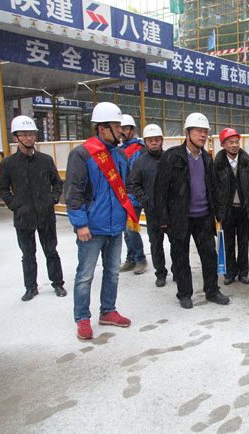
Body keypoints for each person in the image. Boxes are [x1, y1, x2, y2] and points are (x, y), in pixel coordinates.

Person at [65, 102, 134, 340]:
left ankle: (108, 311)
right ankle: (82, 318)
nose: (121, 130)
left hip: (115, 226)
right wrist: (80, 224)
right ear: (102, 128)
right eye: (116, 126)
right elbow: (73, 191)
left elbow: (126, 187)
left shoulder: (120, 154)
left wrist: (128, 213)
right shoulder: (82, 154)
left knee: (112, 272)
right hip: (91, 228)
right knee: (85, 275)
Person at [154, 113, 229, 309]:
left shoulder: (207, 158)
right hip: (180, 217)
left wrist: (219, 213)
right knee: (180, 257)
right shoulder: (172, 157)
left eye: (205, 132)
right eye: (198, 131)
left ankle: (212, 290)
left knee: (209, 256)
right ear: (187, 133)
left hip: (204, 216)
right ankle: (184, 293)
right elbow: (160, 189)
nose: (203, 135)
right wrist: (163, 218)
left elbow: (213, 188)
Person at [0, 115, 65, 301]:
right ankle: (31, 287)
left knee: (51, 250)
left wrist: (52, 199)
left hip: (45, 215)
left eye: (32, 134)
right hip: (23, 216)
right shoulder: (8, 163)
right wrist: (14, 205)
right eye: (24, 134)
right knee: (28, 254)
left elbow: (57, 183)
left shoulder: (45, 160)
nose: (29, 138)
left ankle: (58, 283)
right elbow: (2, 189)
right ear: (15, 137)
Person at [126, 124, 168, 287]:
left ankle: (178, 271)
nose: (154, 143)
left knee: (177, 243)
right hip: (152, 211)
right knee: (156, 244)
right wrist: (146, 200)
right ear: (145, 142)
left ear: (162, 140)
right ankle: (160, 273)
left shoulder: (169, 158)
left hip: (171, 210)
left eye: (157, 139)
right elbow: (133, 184)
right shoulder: (140, 162)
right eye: (150, 140)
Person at [214, 127, 249, 286]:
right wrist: (219, 210)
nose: (234, 145)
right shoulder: (217, 164)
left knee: (244, 243)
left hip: (244, 210)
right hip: (227, 210)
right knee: (228, 243)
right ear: (223, 144)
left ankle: (243, 273)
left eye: (236, 142)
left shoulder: (247, 162)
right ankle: (230, 273)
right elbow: (215, 187)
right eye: (230, 142)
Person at [119, 114, 148, 275]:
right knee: (125, 229)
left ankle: (140, 259)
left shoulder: (140, 149)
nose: (122, 132)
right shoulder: (119, 150)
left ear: (132, 130)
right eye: (120, 128)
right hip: (122, 195)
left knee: (131, 229)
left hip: (135, 196)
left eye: (125, 128)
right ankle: (131, 258)